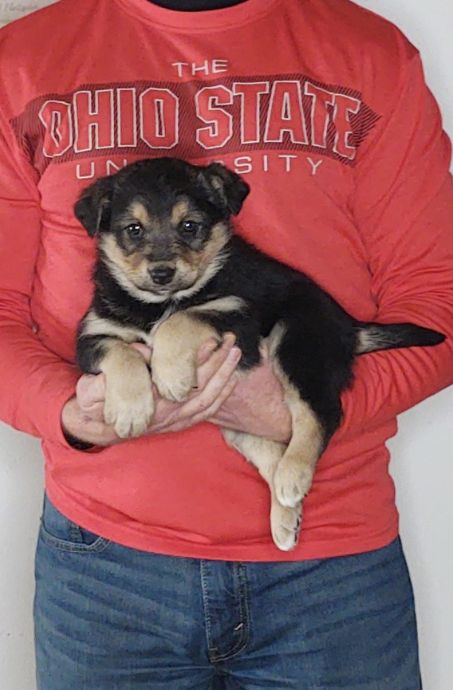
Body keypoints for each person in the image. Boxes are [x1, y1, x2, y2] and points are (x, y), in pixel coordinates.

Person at [0, 0, 452, 688]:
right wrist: (64, 411)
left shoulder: (368, 52)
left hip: (333, 568)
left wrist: (301, 413)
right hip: (105, 569)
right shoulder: (21, 60)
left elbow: (439, 304)